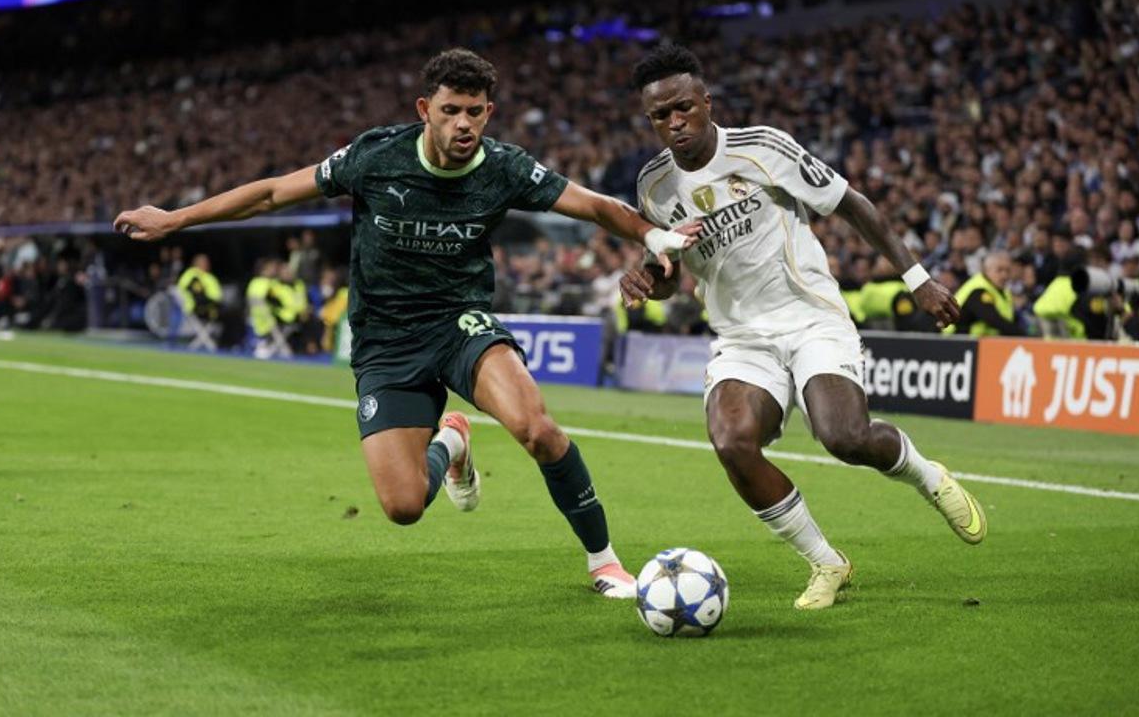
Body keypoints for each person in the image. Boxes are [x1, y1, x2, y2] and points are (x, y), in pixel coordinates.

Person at [114, 48, 698, 599]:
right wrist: (177, 219)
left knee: (537, 429)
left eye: (475, 112)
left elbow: (594, 204)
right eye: (450, 111)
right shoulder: (376, 157)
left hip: (460, 322)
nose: (463, 124)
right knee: (404, 505)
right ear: (425, 111)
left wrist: (651, 233)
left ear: (489, 112)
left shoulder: (503, 168)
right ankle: (453, 440)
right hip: (385, 339)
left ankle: (604, 560)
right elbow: (270, 194)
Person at [618, 43, 985, 611]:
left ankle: (925, 475)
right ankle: (825, 561)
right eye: (660, 117)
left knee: (844, 437)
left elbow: (852, 203)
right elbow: (670, 270)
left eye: (683, 108)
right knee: (732, 441)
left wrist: (918, 280)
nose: (674, 123)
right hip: (742, 336)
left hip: (810, 315)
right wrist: (647, 277)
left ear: (707, 102)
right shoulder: (652, 187)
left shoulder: (762, 147)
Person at [942, 250, 1023, 336]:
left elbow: (1011, 318)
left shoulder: (1003, 291)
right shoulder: (979, 290)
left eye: (1008, 271)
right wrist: (1027, 338)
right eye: (999, 270)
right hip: (955, 340)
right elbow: (994, 320)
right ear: (986, 270)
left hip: (981, 343)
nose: (1004, 275)